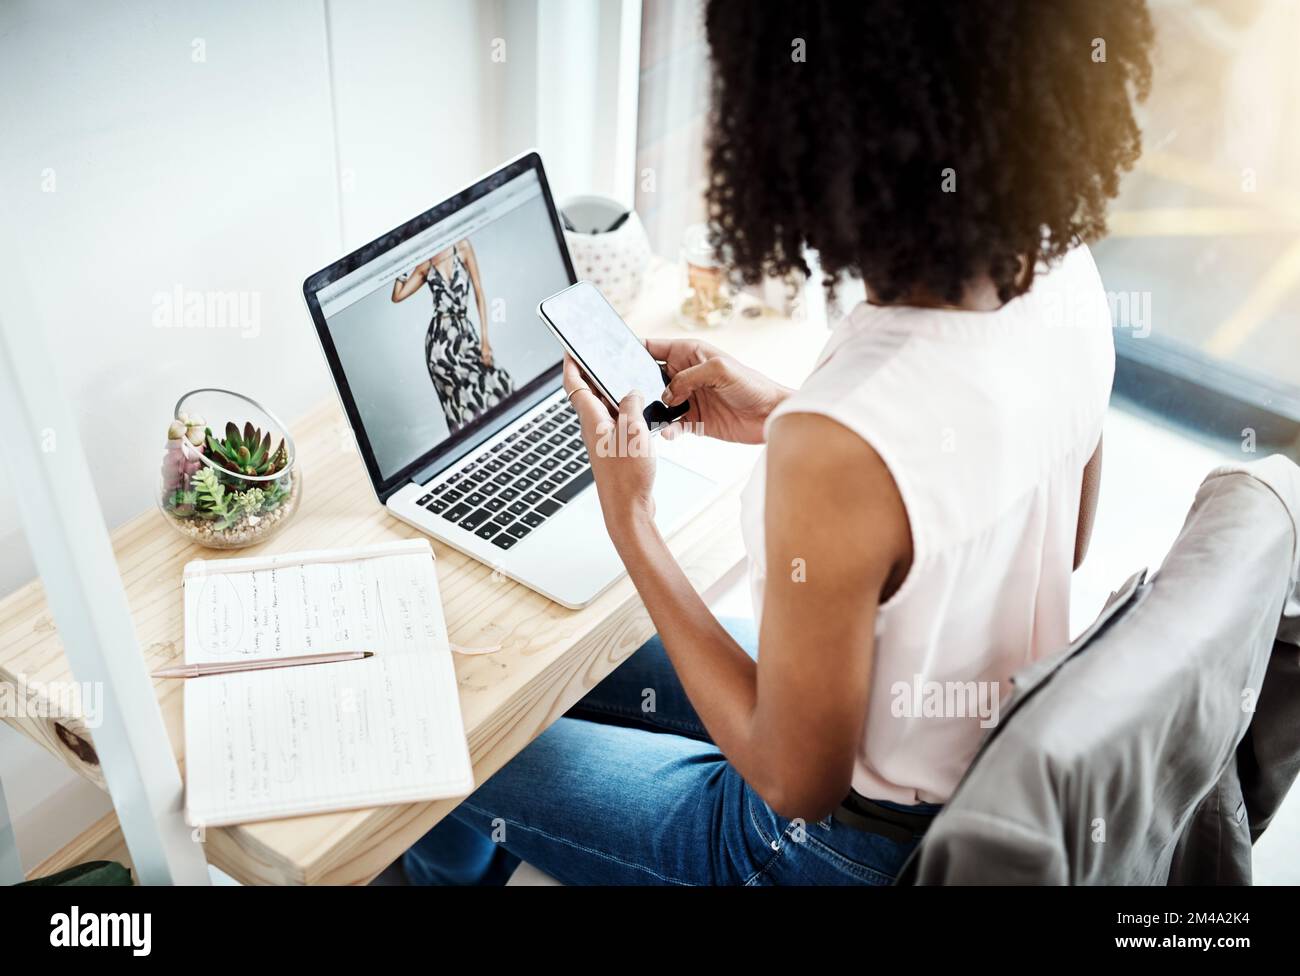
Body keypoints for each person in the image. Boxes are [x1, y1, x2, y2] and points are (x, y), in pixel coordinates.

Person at [404, 0, 1153, 885]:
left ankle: (471, 863)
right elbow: (1052, 540)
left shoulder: (840, 446)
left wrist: (632, 521)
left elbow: (796, 783)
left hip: (822, 848)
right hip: (975, 779)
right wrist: (791, 417)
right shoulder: (1063, 276)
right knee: (538, 685)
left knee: (439, 741)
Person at [392, 237, 513, 431]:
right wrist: (404, 266)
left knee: (492, 382)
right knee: (457, 400)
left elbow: (479, 293)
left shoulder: (462, 246)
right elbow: (397, 296)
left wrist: (485, 340)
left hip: (465, 333)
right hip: (439, 345)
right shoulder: (426, 262)